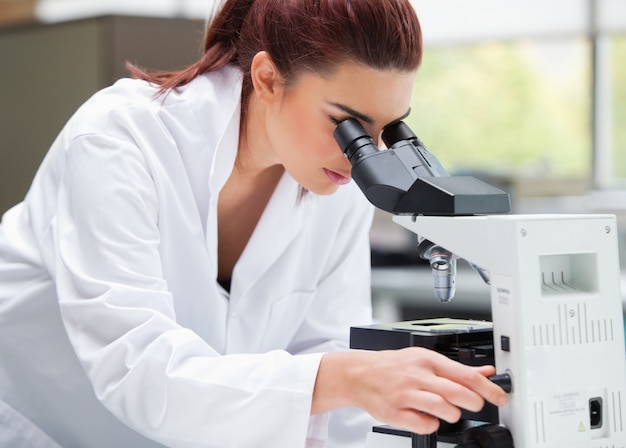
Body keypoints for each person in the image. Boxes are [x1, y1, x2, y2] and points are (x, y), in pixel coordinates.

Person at [0, 0, 508, 447]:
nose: (361, 156)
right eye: (346, 123)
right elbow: (139, 370)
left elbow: (329, 369)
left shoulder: (336, 183)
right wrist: (346, 377)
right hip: (37, 423)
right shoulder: (119, 140)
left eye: (381, 132)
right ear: (266, 78)